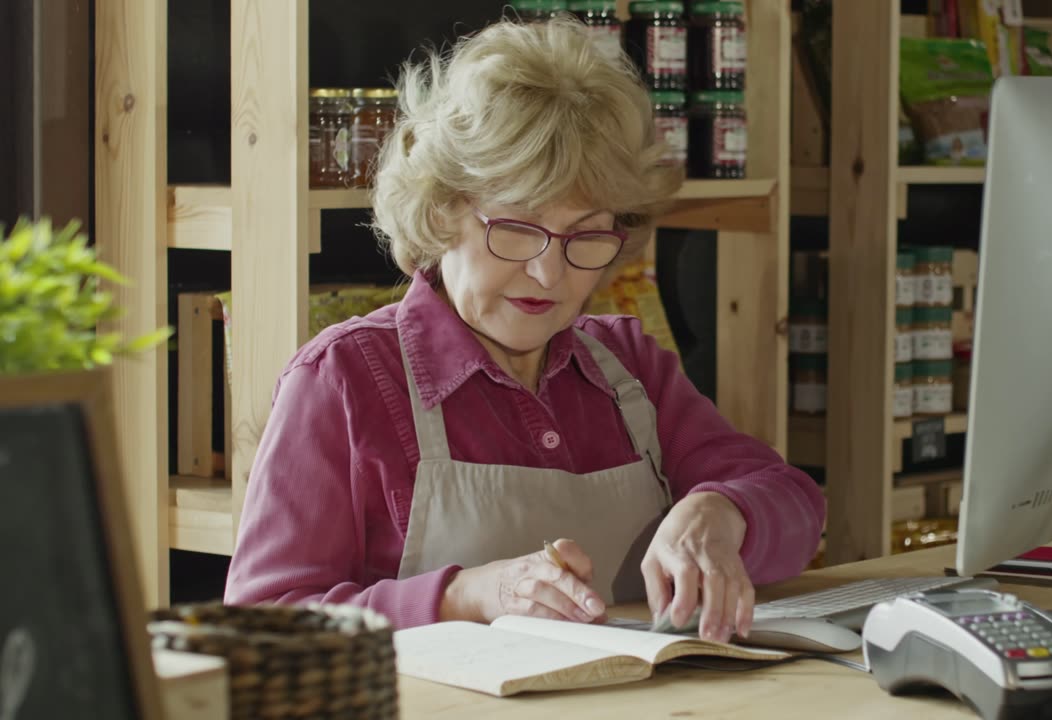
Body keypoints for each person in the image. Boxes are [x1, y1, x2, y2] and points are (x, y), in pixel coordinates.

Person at [224, 17, 825, 644]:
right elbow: (262, 628)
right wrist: (462, 596)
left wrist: (722, 512)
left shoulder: (628, 366)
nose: (548, 272)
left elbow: (796, 503)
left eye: (584, 235)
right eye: (516, 228)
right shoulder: (341, 381)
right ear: (441, 209)